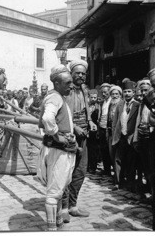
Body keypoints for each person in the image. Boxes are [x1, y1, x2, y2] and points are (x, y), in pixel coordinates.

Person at [36, 65, 77, 231]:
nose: (71, 86)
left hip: (61, 149)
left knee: (59, 188)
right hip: (57, 150)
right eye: (67, 83)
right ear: (57, 83)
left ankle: (58, 223)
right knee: (54, 192)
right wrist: (56, 134)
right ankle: (52, 229)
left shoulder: (58, 96)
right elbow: (47, 118)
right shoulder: (56, 97)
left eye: (71, 82)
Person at [60, 60, 96, 222]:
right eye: (77, 73)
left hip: (84, 135)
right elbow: (62, 115)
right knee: (66, 172)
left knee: (80, 171)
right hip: (68, 136)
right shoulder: (65, 91)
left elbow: (86, 109)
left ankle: (73, 206)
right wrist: (74, 127)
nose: (81, 76)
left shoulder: (84, 90)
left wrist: (90, 122)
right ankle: (63, 208)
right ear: (71, 74)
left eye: (83, 73)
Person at [110, 81, 139, 191]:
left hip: (131, 137)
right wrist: (114, 136)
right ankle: (118, 182)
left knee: (131, 161)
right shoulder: (120, 104)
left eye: (129, 91)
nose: (127, 94)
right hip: (120, 136)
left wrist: (134, 137)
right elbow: (115, 121)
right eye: (125, 92)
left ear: (133, 92)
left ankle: (130, 183)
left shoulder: (137, 105)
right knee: (118, 159)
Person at [98, 83, 112, 175]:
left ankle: (112, 169)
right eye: (102, 92)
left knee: (109, 149)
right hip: (102, 128)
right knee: (103, 149)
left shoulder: (112, 101)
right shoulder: (102, 102)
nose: (104, 94)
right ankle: (106, 169)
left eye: (106, 92)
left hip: (108, 128)